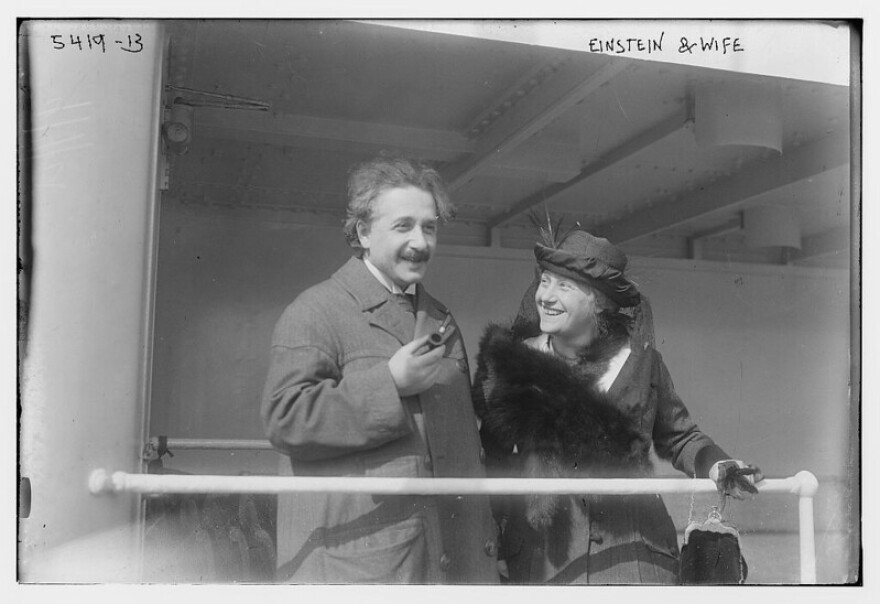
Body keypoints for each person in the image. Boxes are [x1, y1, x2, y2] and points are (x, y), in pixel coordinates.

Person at [472, 227, 762, 584]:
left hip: (635, 559)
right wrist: (495, 544)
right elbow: (493, 461)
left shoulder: (641, 363)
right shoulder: (515, 364)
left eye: (564, 287)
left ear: (599, 304)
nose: (545, 296)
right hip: (544, 561)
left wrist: (718, 464)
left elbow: (681, 437)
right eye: (545, 282)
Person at [261, 156, 499, 584]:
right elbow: (285, 418)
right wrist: (390, 383)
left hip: (447, 561)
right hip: (366, 569)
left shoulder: (440, 317)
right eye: (403, 226)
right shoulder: (316, 310)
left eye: (429, 227)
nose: (420, 241)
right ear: (363, 233)